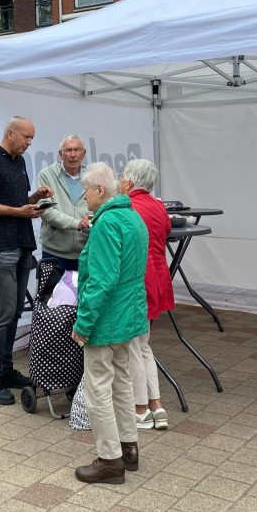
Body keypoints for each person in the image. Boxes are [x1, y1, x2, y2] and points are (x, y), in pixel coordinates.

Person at [71, 163, 149, 484]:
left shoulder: (106, 224)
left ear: (99, 191)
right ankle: (128, 447)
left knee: (97, 388)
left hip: (106, 320)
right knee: (121, 383)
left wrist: (83, 324)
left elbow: (101, 282)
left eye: (86, 191)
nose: (84, 197)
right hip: (129, 317)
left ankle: (109, 460)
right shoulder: (132, 217)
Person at [0, 116, 53, 406]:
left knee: (16, 309)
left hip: (21, 243)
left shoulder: (18, 161)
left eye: (32, 138)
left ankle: (5, 371)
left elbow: (17, 202)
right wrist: (17, 212)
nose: (29, 143)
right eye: (26, 137)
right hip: (1, 244)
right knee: (5, 311)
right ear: (10, 133)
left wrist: (35, 197)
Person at [119, 158, 173, 431]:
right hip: (157, 277)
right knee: (144, 345)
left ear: (128, 181)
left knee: (133, 347)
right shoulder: (157, 205)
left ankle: (140, 409)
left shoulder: (130, 207)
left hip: (138, 281)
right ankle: (157, 406)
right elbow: (166, 231)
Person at [37, 135, 91, 272]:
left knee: (83, 293)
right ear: (61, 154)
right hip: (54, 252)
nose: (73, 155)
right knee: (52, 293)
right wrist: (76, 224)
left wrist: (88, 223)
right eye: (68, 150)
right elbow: (45, 211)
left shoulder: (93, 176)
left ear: (83, 153)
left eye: (77, 150)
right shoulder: (47, 174)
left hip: (85, 252)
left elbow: (100, 208)